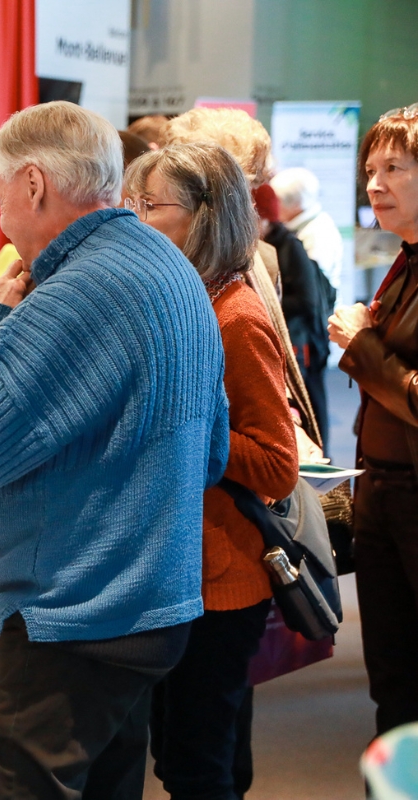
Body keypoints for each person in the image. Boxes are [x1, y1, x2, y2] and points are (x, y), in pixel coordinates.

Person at [0, 102, 229, 800]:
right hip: (146, 608)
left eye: (0, 186)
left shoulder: (82, 288)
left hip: (75, 619)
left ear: (34, 184)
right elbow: (210, 452)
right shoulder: (169, 265)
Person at [126, 142, 299, 799]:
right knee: (179, 757)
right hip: (182, 571)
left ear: (203, 215)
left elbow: (279, 466)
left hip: (221, 582)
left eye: (152, 205)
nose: (136, 219)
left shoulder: (235, 317)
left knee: (198, 768)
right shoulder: (191, 302)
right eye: (133, 203)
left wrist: (189, 437)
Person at [330, 102, 418, 737]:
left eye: (394, 167)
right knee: (393, 683)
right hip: (385, 492)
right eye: (370, 169)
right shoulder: (404, 260)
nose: (375, 184)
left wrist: (362, 343)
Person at [165, 107, 325, 453]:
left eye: (247, 187)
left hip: (233, 458)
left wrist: (287, 419)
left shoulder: (262, 259)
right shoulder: (154, 259)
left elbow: (267, 373)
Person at [254, 183, 332, 453]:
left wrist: (266, 300)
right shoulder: (268, 245)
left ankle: (322, 460)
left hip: (302, 342)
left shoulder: (289, 246)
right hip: (291, 339)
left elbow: (307, 301)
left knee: (309, 399)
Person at [272, 166, 344, 306]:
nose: (274, 208)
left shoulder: (319, 233)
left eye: (277, 202)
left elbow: (313, 287)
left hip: (317, 319)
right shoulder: (301, 225)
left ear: (296, 205)